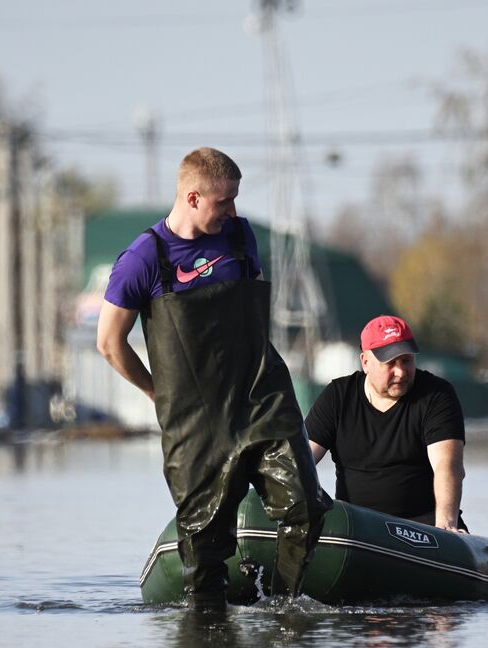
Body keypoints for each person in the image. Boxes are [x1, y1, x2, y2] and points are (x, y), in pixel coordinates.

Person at [96, 147, 330, 609]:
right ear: (193, 197)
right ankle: (206, 634)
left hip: (262, 399)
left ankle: (283, 608)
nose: (233, 211)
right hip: (195, 420)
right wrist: (154, 390)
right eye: (224, 202)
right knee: (205, 546)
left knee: (305, 506)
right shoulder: (145, 257)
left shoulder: (241, 238)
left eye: (235, 200)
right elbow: (109, 342)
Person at [305, 315, 467, 531]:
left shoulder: (437, 395)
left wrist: (446, 525)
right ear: (365, 362)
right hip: (356, 527)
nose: (400, 372)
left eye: (406, 361)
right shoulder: (337, 397)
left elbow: (447, 465)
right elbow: (301, 461)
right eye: (390, 363)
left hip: (423, 527)